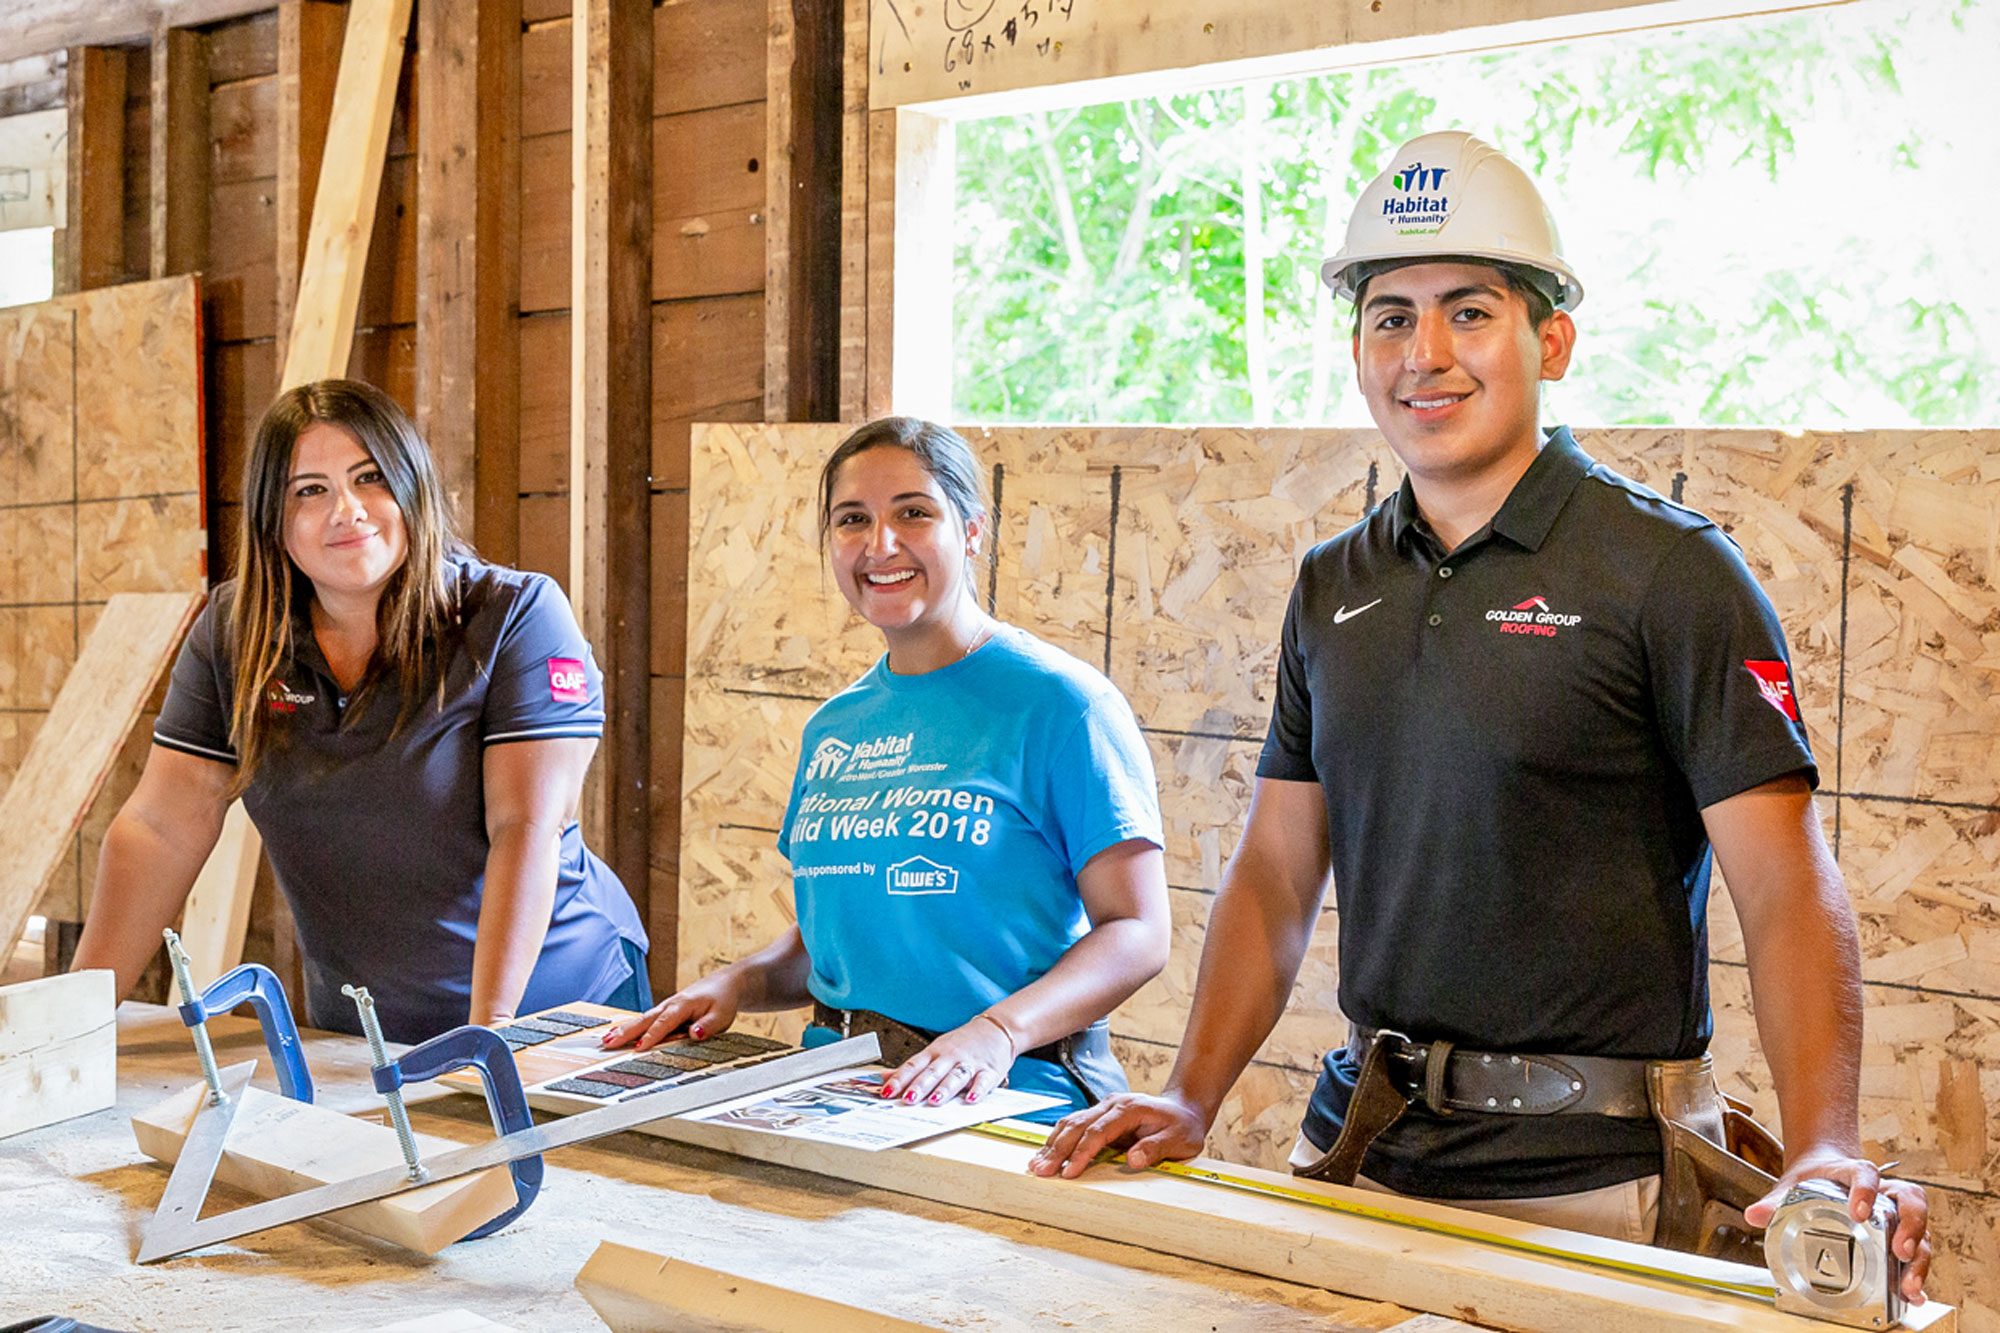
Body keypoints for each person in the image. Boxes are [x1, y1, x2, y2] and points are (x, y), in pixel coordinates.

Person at [1028, 131, 1932, 1298]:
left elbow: (1782, 884)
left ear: (1548, 338)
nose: (1425, 354)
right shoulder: (1332, 583)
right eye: (1389, 316)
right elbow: (1272, 872)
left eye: (1468, 311)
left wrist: (1821, 1145)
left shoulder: (1667, 572)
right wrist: (1191, 1092)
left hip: (1590, 1182)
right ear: (1358, 349)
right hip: (1364, 1152)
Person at [603, 417, 1170, 1120]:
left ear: (971, 530)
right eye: (852, 519)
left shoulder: (1062, 706)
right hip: (836, 1091)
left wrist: (996, 1032)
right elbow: (834, 943)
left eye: (913, 512)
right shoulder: (835, 727)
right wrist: (738, 983)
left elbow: (1139, 931)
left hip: (1009, 1101)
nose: (881, 544)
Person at [72, 379, 649, 1043]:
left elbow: (526, 828)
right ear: (273, 519)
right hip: (364, 1028)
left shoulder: (513, 615)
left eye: (369, 477)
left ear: (412, 485)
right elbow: (160, 829)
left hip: (557, 1007)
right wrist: (70, 1027)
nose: (347, 510)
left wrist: (489, 1036)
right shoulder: (236, 636)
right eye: (309, 490)